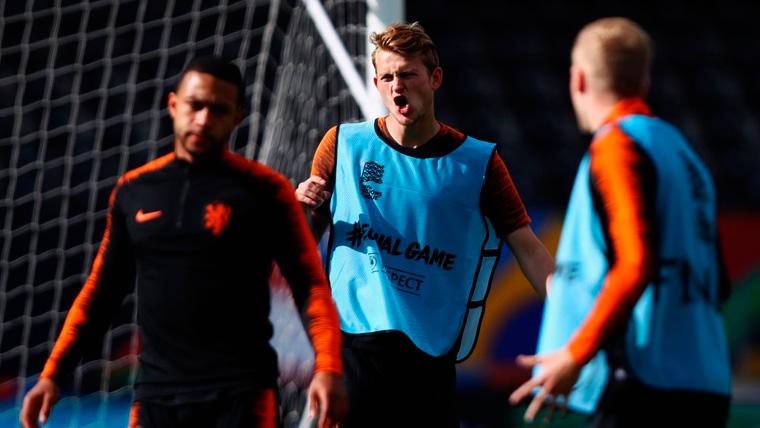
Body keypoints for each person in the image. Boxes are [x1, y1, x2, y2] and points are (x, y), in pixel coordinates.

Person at [20, 56, 347, 428]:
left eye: (218, 109)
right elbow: (101, 294)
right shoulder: (134, 191)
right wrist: (52, 375)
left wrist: (328, 367)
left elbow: (310, 288)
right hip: (157, 398)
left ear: (237, 117)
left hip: (242, 398)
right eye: (195, 105)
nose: (204, 119)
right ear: (173, 105)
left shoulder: (266, 191)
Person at [295, 22, 555, 427]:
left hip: (429, 354)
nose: (397, 85)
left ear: (434, 79)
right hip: (354, 345)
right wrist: (304, 205)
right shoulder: (343, 145)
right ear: (377, 84)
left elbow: (528, 246)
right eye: (387, 77)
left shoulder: (478, 163)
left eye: (408, 74)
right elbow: (303, 242)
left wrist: (570, 317)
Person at [509, 17, 732, 427]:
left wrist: (575, 355)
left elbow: (635, 264)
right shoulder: (686, 155)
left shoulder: (617, 146)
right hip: (707, 381)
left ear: (578, 80)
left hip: (648, 385)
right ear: (644, 82)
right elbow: (718, 279)